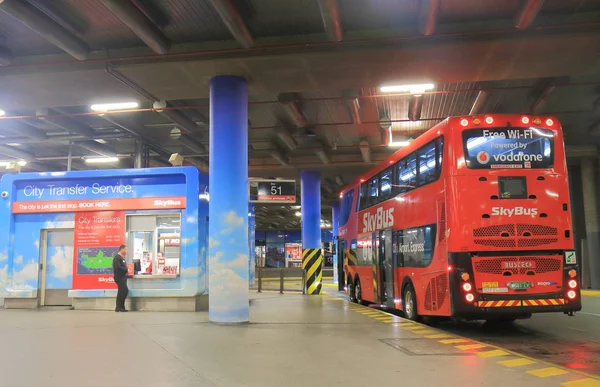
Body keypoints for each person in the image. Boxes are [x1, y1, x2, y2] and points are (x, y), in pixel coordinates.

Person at [112, 245, 129, 312]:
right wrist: (126, 269)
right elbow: (118, 267)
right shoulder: (117, 258)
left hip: (123, 277)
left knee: (121, 292)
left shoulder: (122, 258)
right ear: (122, 249)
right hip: (119, 277)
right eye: (126, 249)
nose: (126, 251)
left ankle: (120, 307)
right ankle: (119, 307)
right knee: (124, 290)